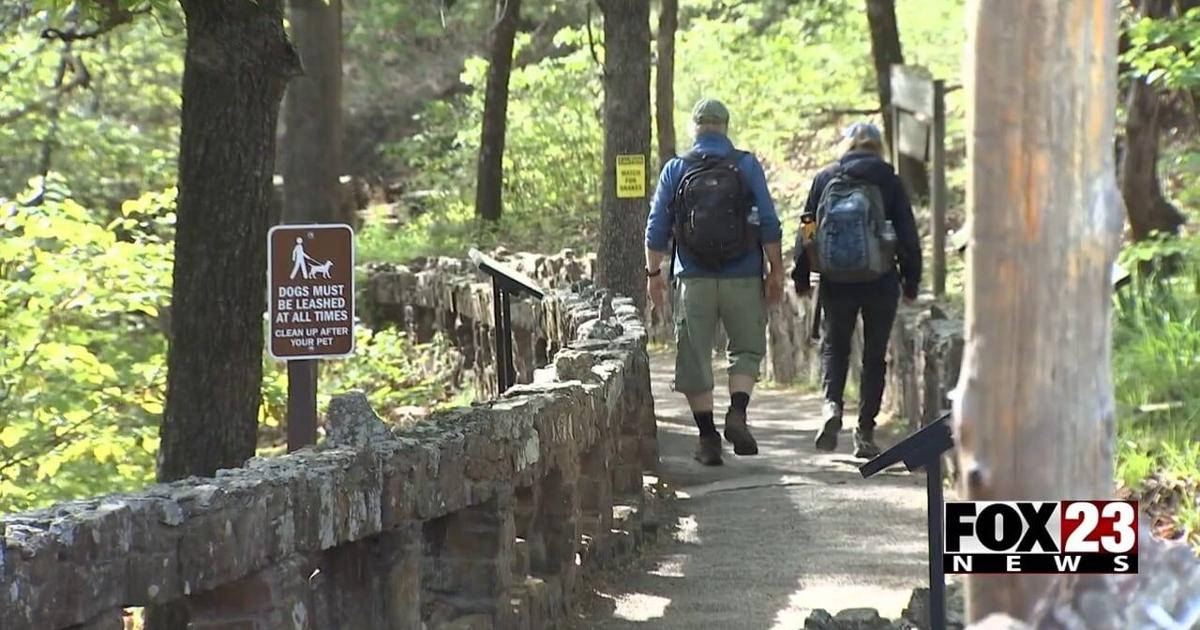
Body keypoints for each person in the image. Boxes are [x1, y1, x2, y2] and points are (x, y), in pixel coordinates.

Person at [645, 98, 785, 466]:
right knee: (746, 349)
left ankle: (708, 439)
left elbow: (657, 226)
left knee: (694, 355)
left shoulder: (676, 168)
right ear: (725, 127)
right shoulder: (746, 165)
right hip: (742, 275)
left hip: (693, 278)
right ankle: (737, 412)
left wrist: (653, 274)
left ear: (695, 128)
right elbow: (768, 220)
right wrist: (776, 269)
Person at [792, 121, 922, 459]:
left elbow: (807, 225)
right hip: (880, 280)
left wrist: (802, 274)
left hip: (836, 279)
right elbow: (907, 233)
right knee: (874, 356)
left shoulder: (826, 177)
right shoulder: (888, 179)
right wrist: (911, 282)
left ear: (847, 145)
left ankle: (832, 405)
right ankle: (864, 431)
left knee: (836, 347)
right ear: (877, 147)